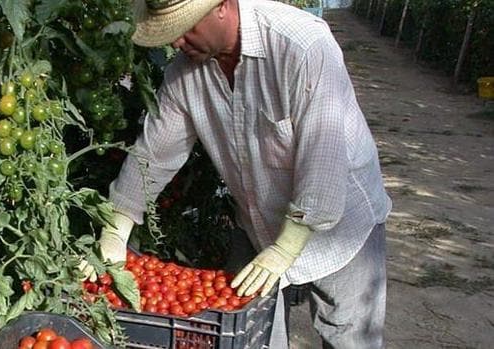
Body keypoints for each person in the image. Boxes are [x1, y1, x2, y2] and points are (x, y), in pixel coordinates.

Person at [80, 0, 392, 347]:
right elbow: (154, 153)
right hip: (260, 221)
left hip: (342, 227)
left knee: (349, 336)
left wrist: (285, 249)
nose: (176, 42)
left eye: (185, 27)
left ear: (223, 6)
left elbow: (324, 158)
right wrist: (117, 225)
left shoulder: (301, 46)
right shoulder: (185, 73)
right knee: (251, 334)